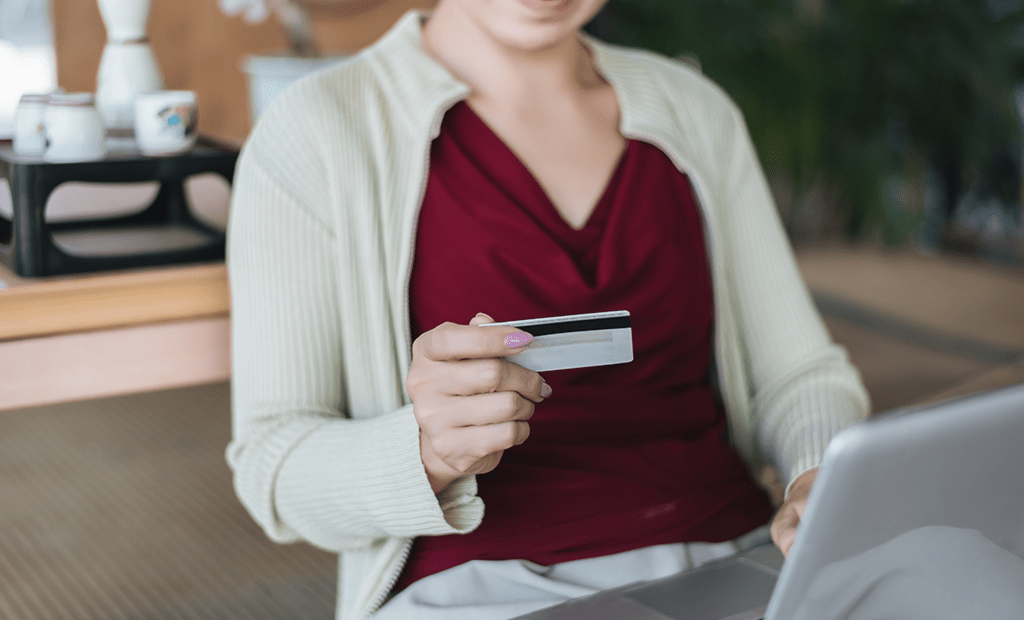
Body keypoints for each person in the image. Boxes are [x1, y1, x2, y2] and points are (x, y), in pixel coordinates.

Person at [225, 1, 870, 619]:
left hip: (736, 557)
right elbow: (273, 465)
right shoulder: (318, 130)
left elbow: (799, 373)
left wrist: (818, 477)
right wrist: (423, 450)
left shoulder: (696, 111)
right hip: (480, 587)